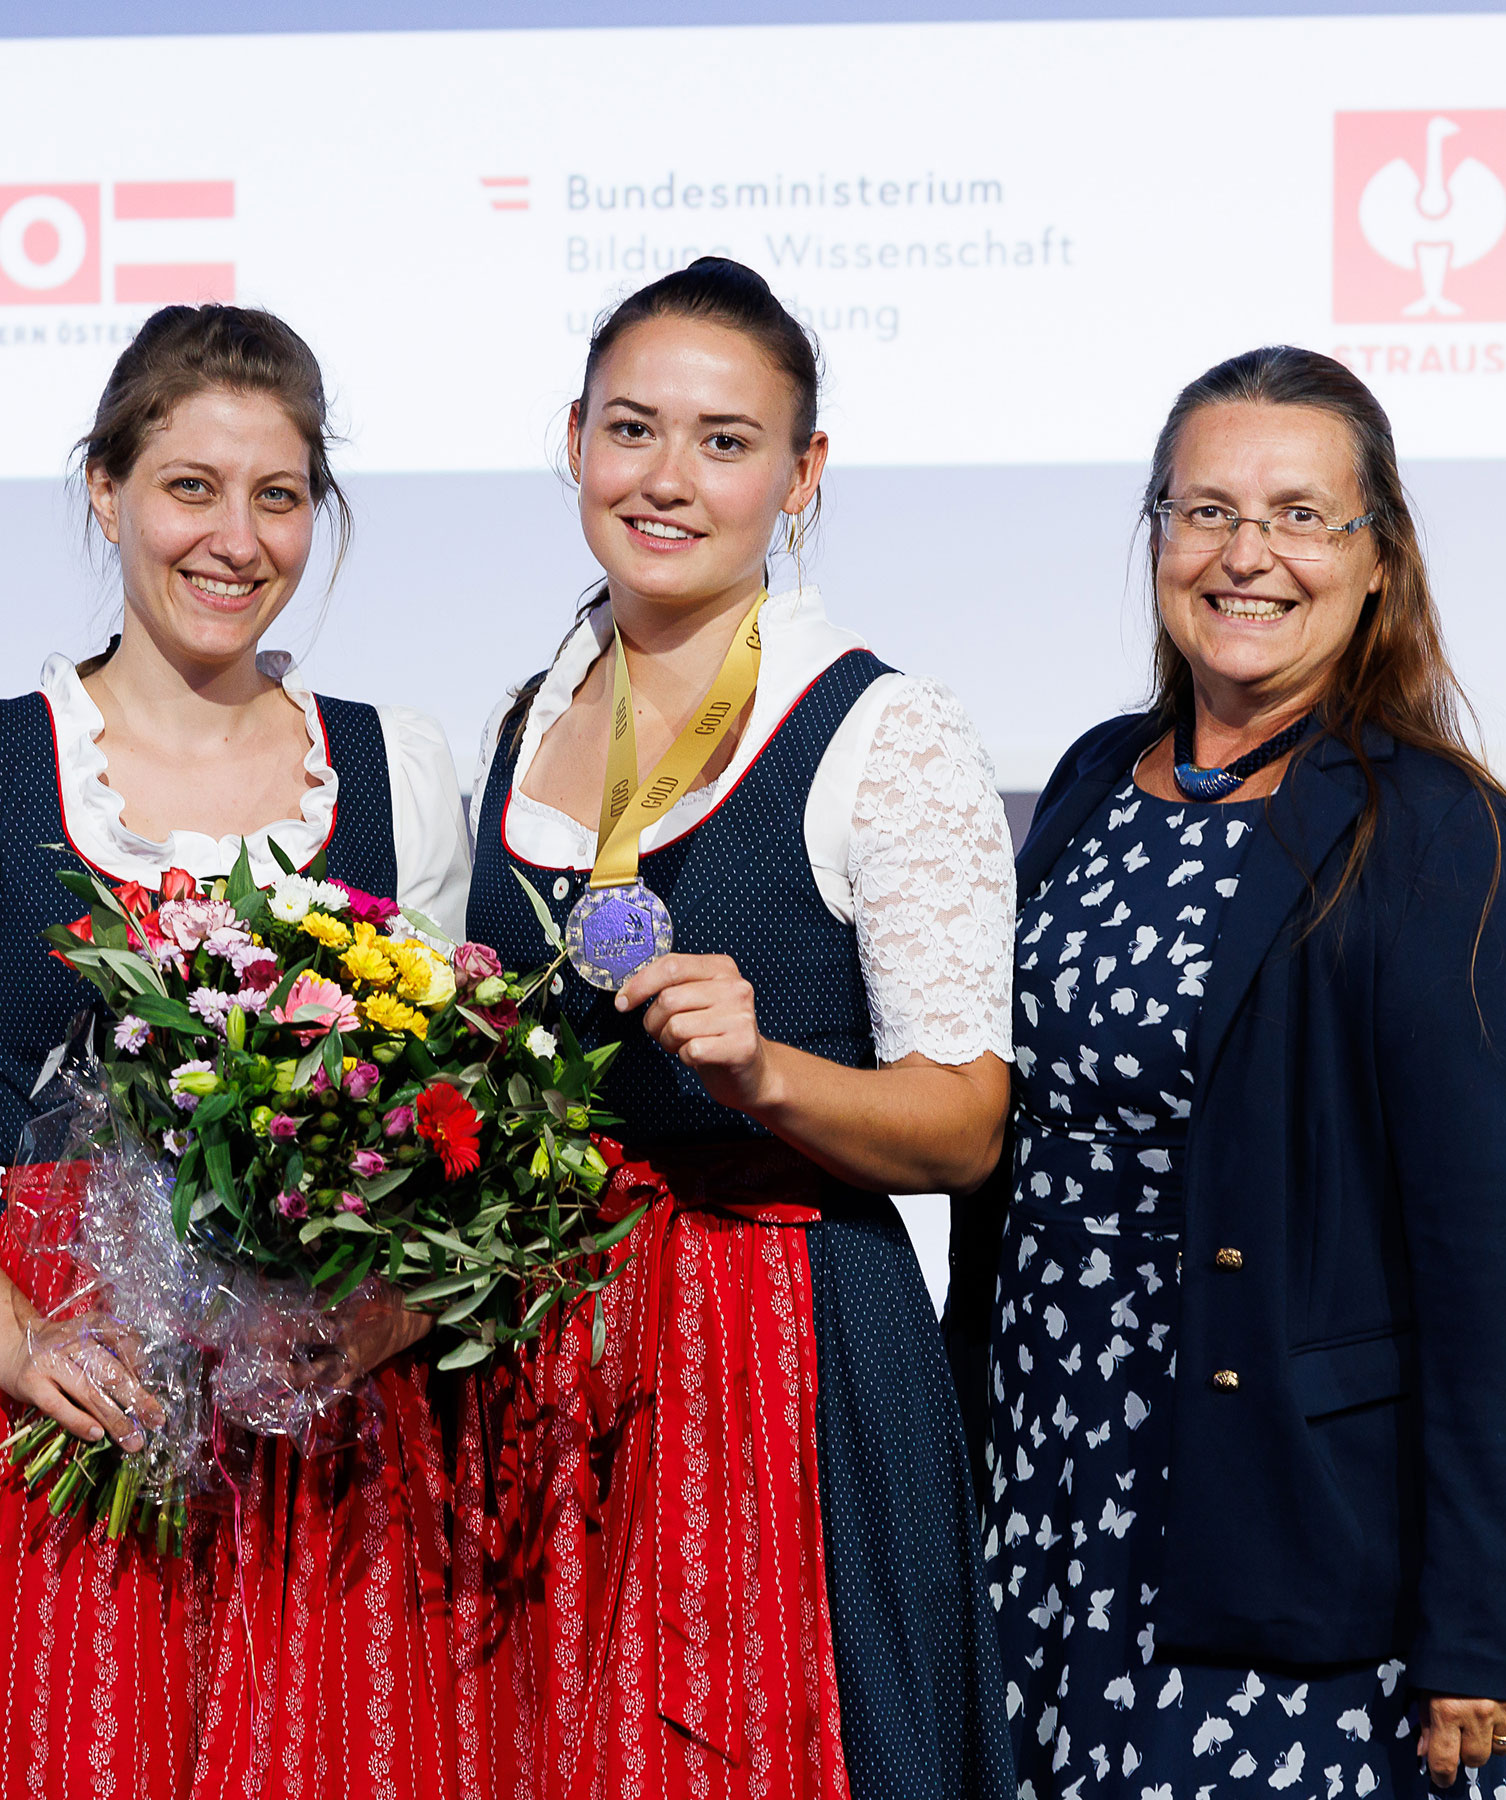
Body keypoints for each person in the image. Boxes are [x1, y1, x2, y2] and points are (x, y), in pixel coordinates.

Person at [0, 303, 474, 1799]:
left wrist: (386, 1318)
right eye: (190, 487)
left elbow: (447, 1127)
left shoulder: (396, 765)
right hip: (66, 1392)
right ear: (105, 493)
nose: (235, 539)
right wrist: (20, 1342)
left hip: (327, 1434)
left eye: (278, 496)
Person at [952, 345, 1506, 1799]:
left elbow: (1482, 1266)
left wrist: (1482, 1622)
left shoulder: (1432, 832)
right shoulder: (1094, 779)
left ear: (1376, 558)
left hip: (1276, 1509)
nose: (1246, 555)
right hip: (1046, 1481)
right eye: (1206, 511)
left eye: (1299, 516)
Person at [454, 256, 1019, 1797]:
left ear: (802, 473)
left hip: (782, 1360)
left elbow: (965, 1123)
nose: (668, 479)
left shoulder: (884, 731)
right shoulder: (523, 719)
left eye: (725, 442)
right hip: (545, 1362)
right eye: (632, 429)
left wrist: (769, 1074)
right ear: (575, 439)